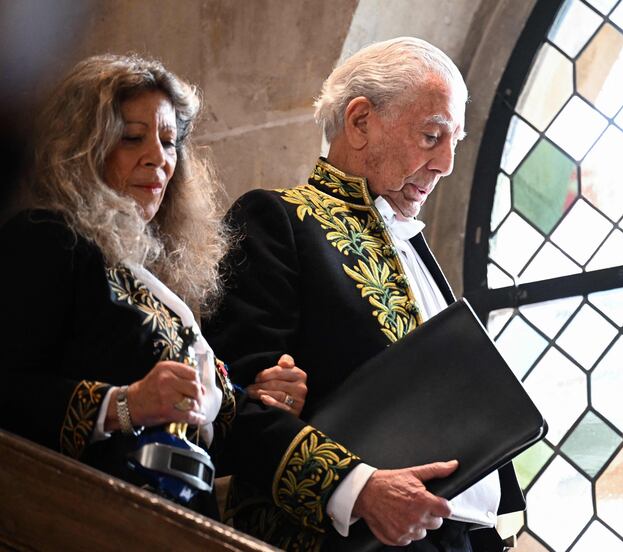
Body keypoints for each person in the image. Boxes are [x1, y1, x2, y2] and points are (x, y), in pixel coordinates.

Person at [0, 54, 456, 545]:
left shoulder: (161, 284)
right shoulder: (47, 238)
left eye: (170, 141)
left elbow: (223, 429)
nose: (158, 158)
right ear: (80, 145)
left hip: (182, 525)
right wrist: (124, 405)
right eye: (132, 137)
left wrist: (258, 396)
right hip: (82, 521)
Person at [204, 37, 524, 551]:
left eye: (455, 141)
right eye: (431, 136)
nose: (446, 162)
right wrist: (357, 489)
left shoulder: (412, 246)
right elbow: (229, 403)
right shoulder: (278, 220)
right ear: (359, 122)